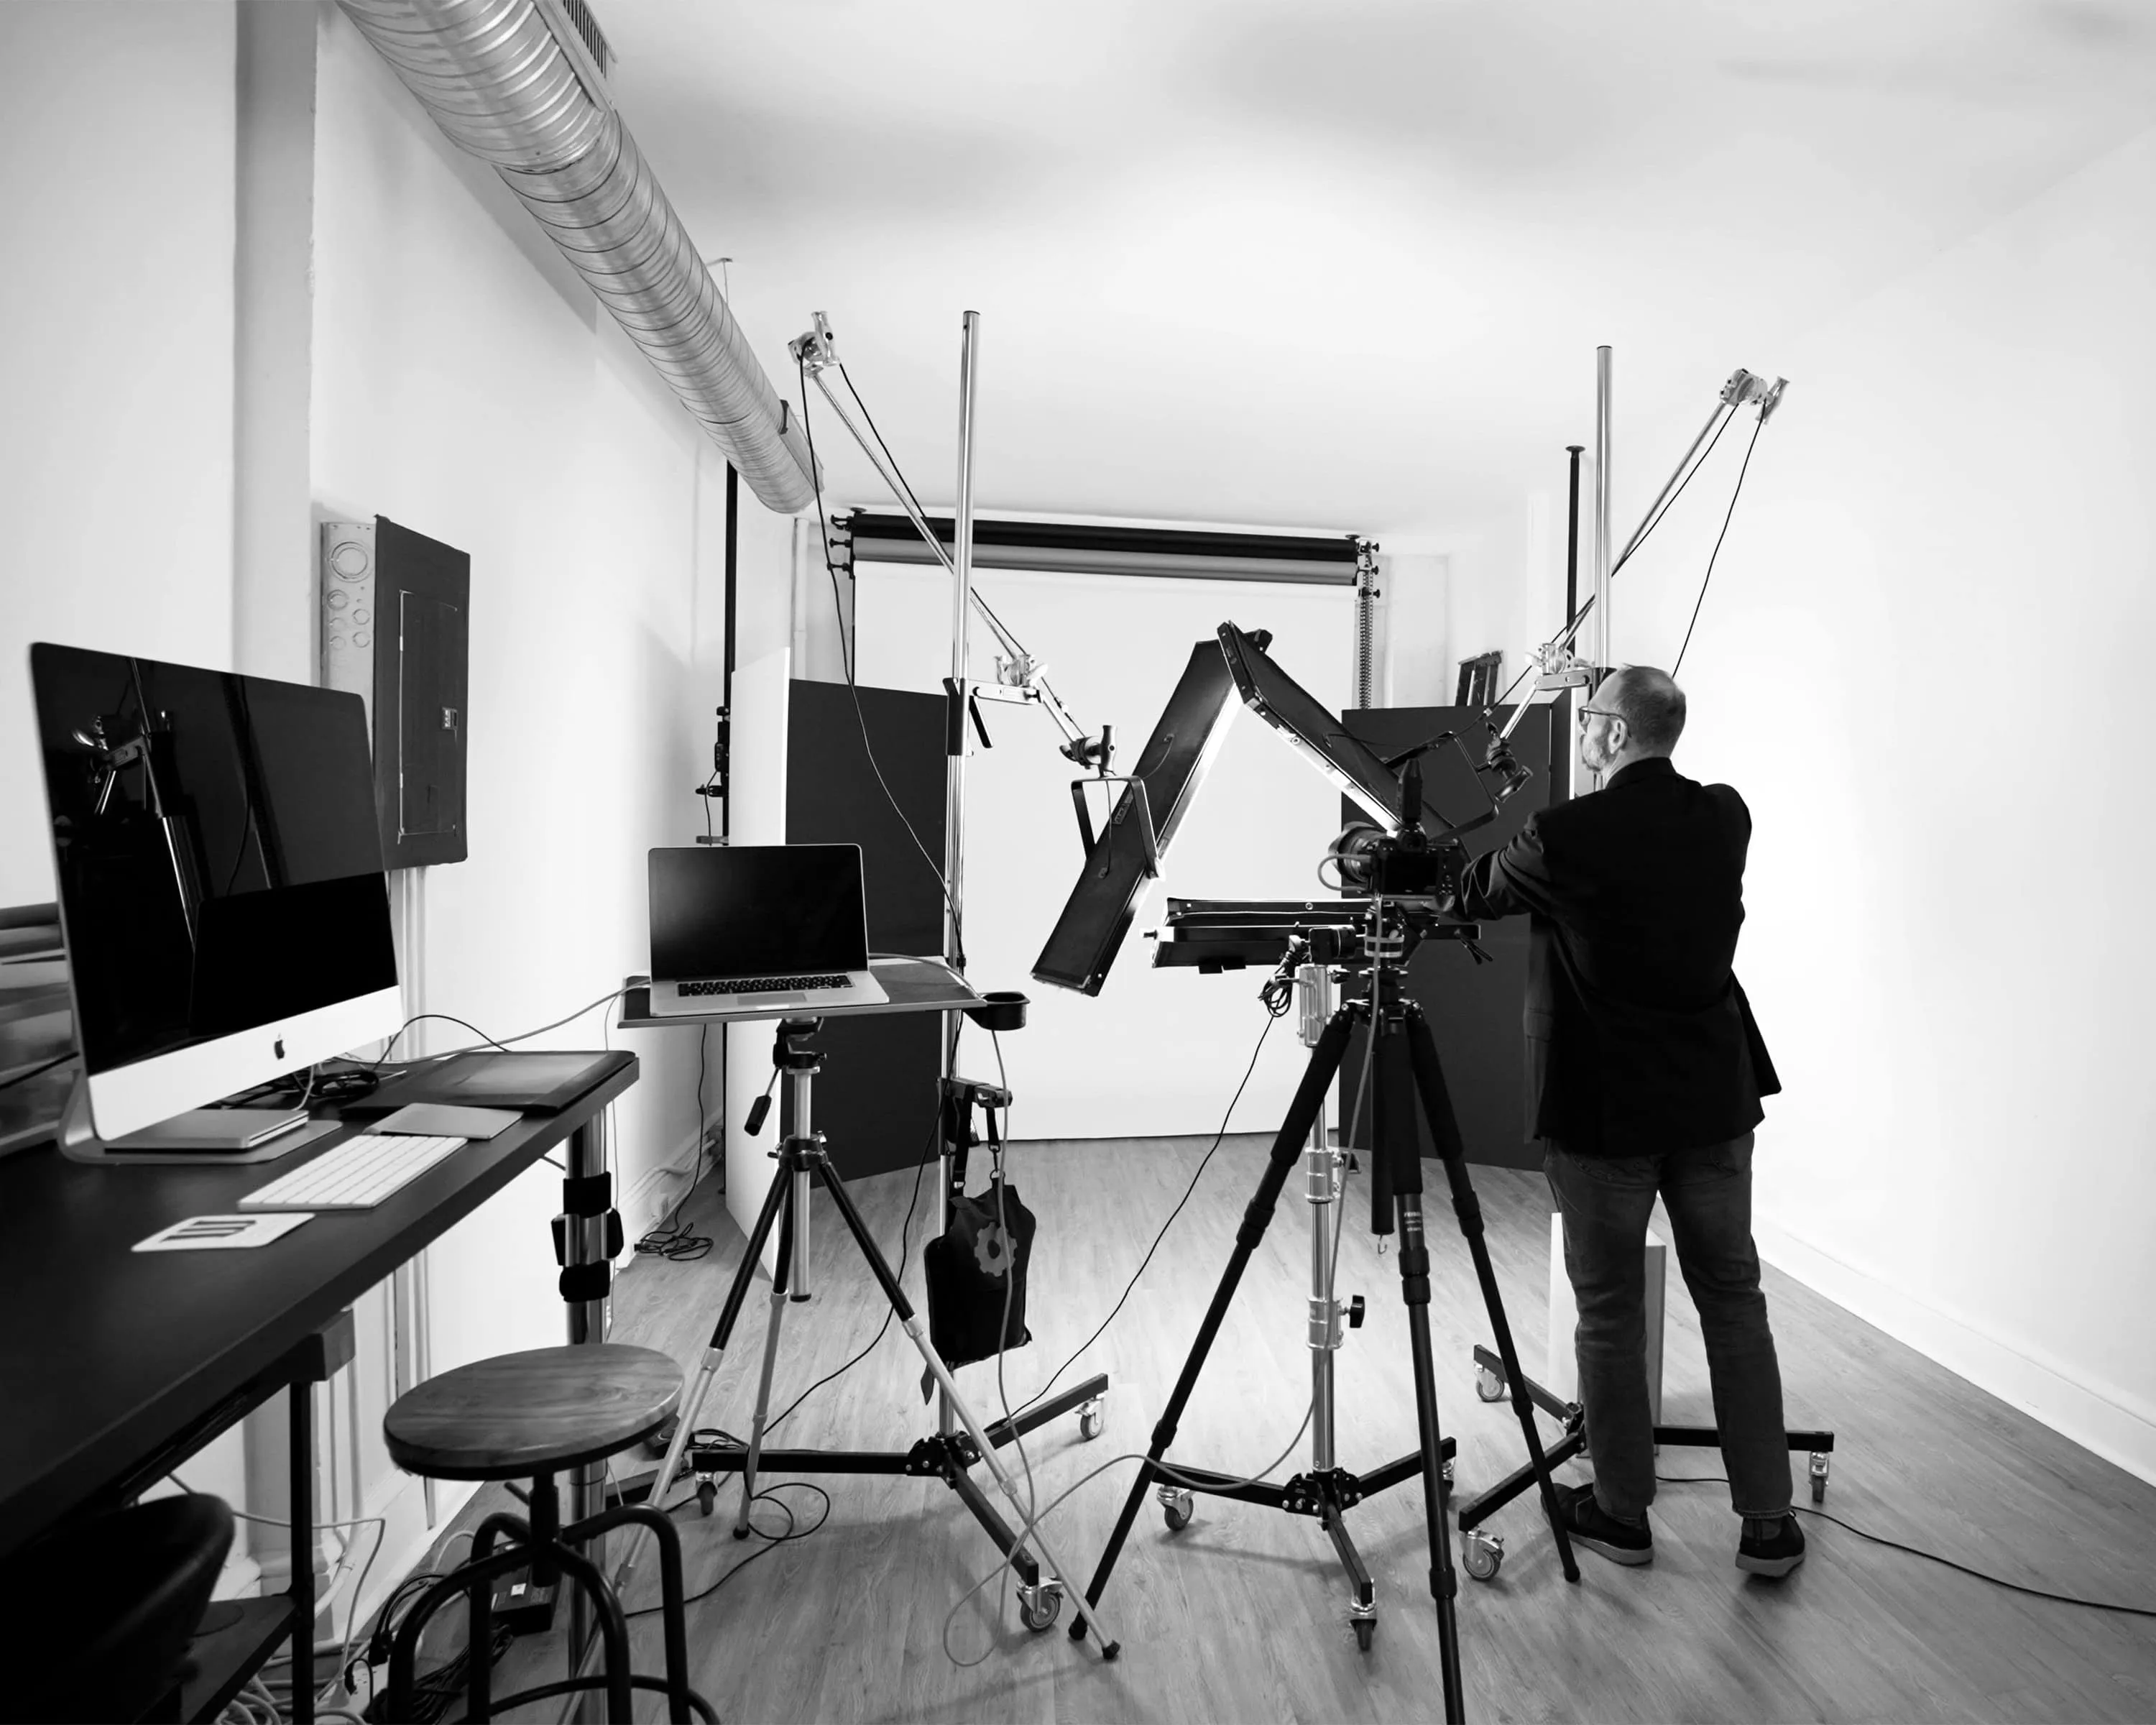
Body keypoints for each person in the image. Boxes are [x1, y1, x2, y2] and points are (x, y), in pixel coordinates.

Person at [1447, 665, 1805, 1579]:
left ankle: (1621, 1514)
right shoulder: (1727, 815)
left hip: (1607, 1113)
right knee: (1735, 1302)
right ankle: (1768, 1524)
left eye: (1586, 721)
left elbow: (1477, 892)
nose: (1579, 736)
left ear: (1608, 733)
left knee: (1607, 1314)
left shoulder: (1564, 834)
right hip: (1713, 1102)